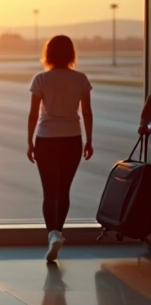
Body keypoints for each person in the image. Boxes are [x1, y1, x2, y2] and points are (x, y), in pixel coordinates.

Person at [26, 35, 93, 262]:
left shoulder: (41, 79)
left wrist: (29, 142)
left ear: (48, 54)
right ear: (71, 54)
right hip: (72, 138)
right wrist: (89, 140)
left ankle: (52, 235)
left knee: (49, 191)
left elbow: (33, 114)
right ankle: (58, 233)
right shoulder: (81, 79)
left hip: (46, 138)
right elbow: (87, 113)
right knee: (63, 191)